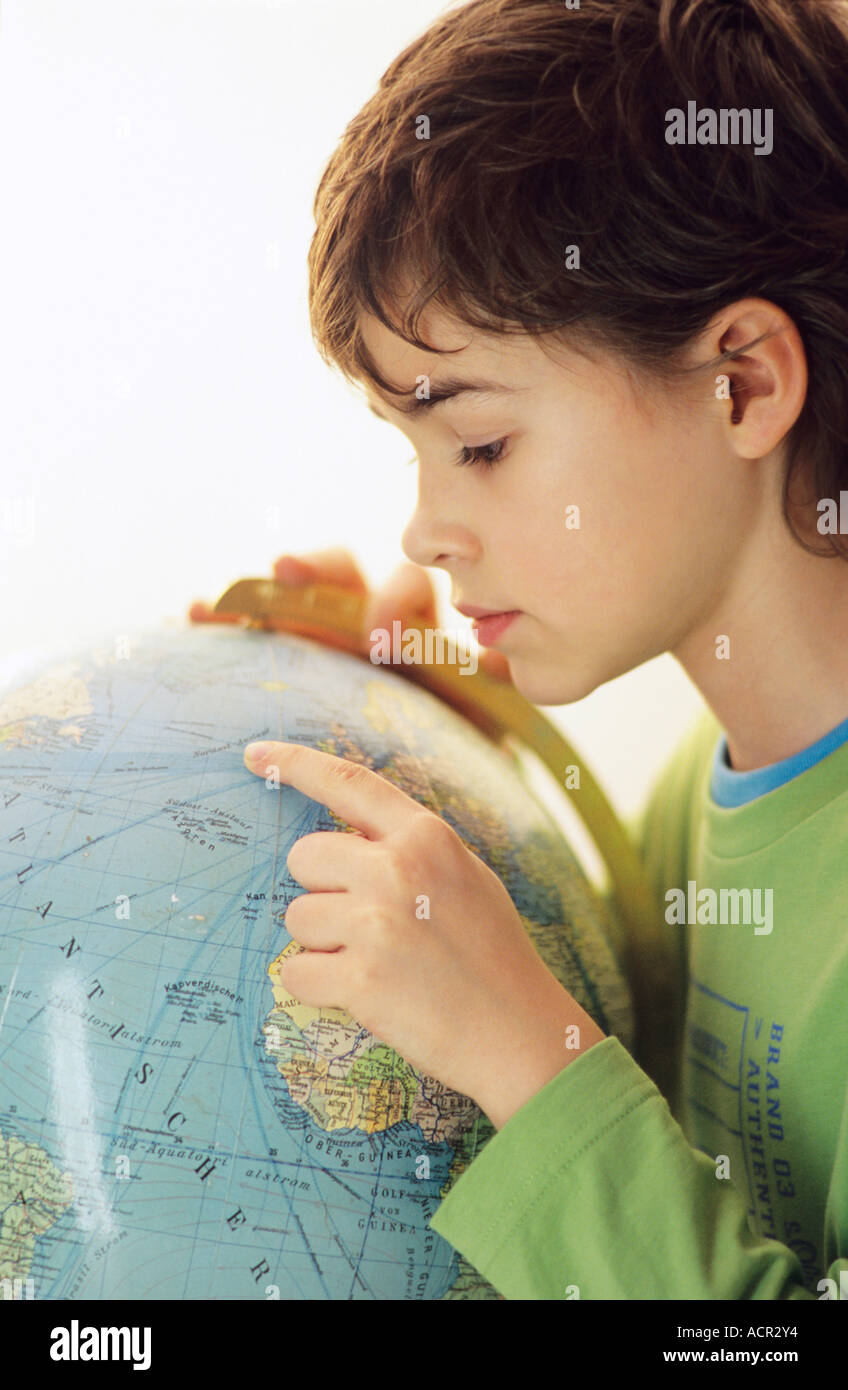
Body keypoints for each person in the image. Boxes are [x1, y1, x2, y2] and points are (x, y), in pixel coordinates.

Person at [192, 0, 848, 1299]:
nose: (427, 529)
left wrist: (527, 1055)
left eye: (482, 445)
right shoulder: (684, 814)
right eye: (418, 456)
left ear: (745, 385)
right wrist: (444, 741)